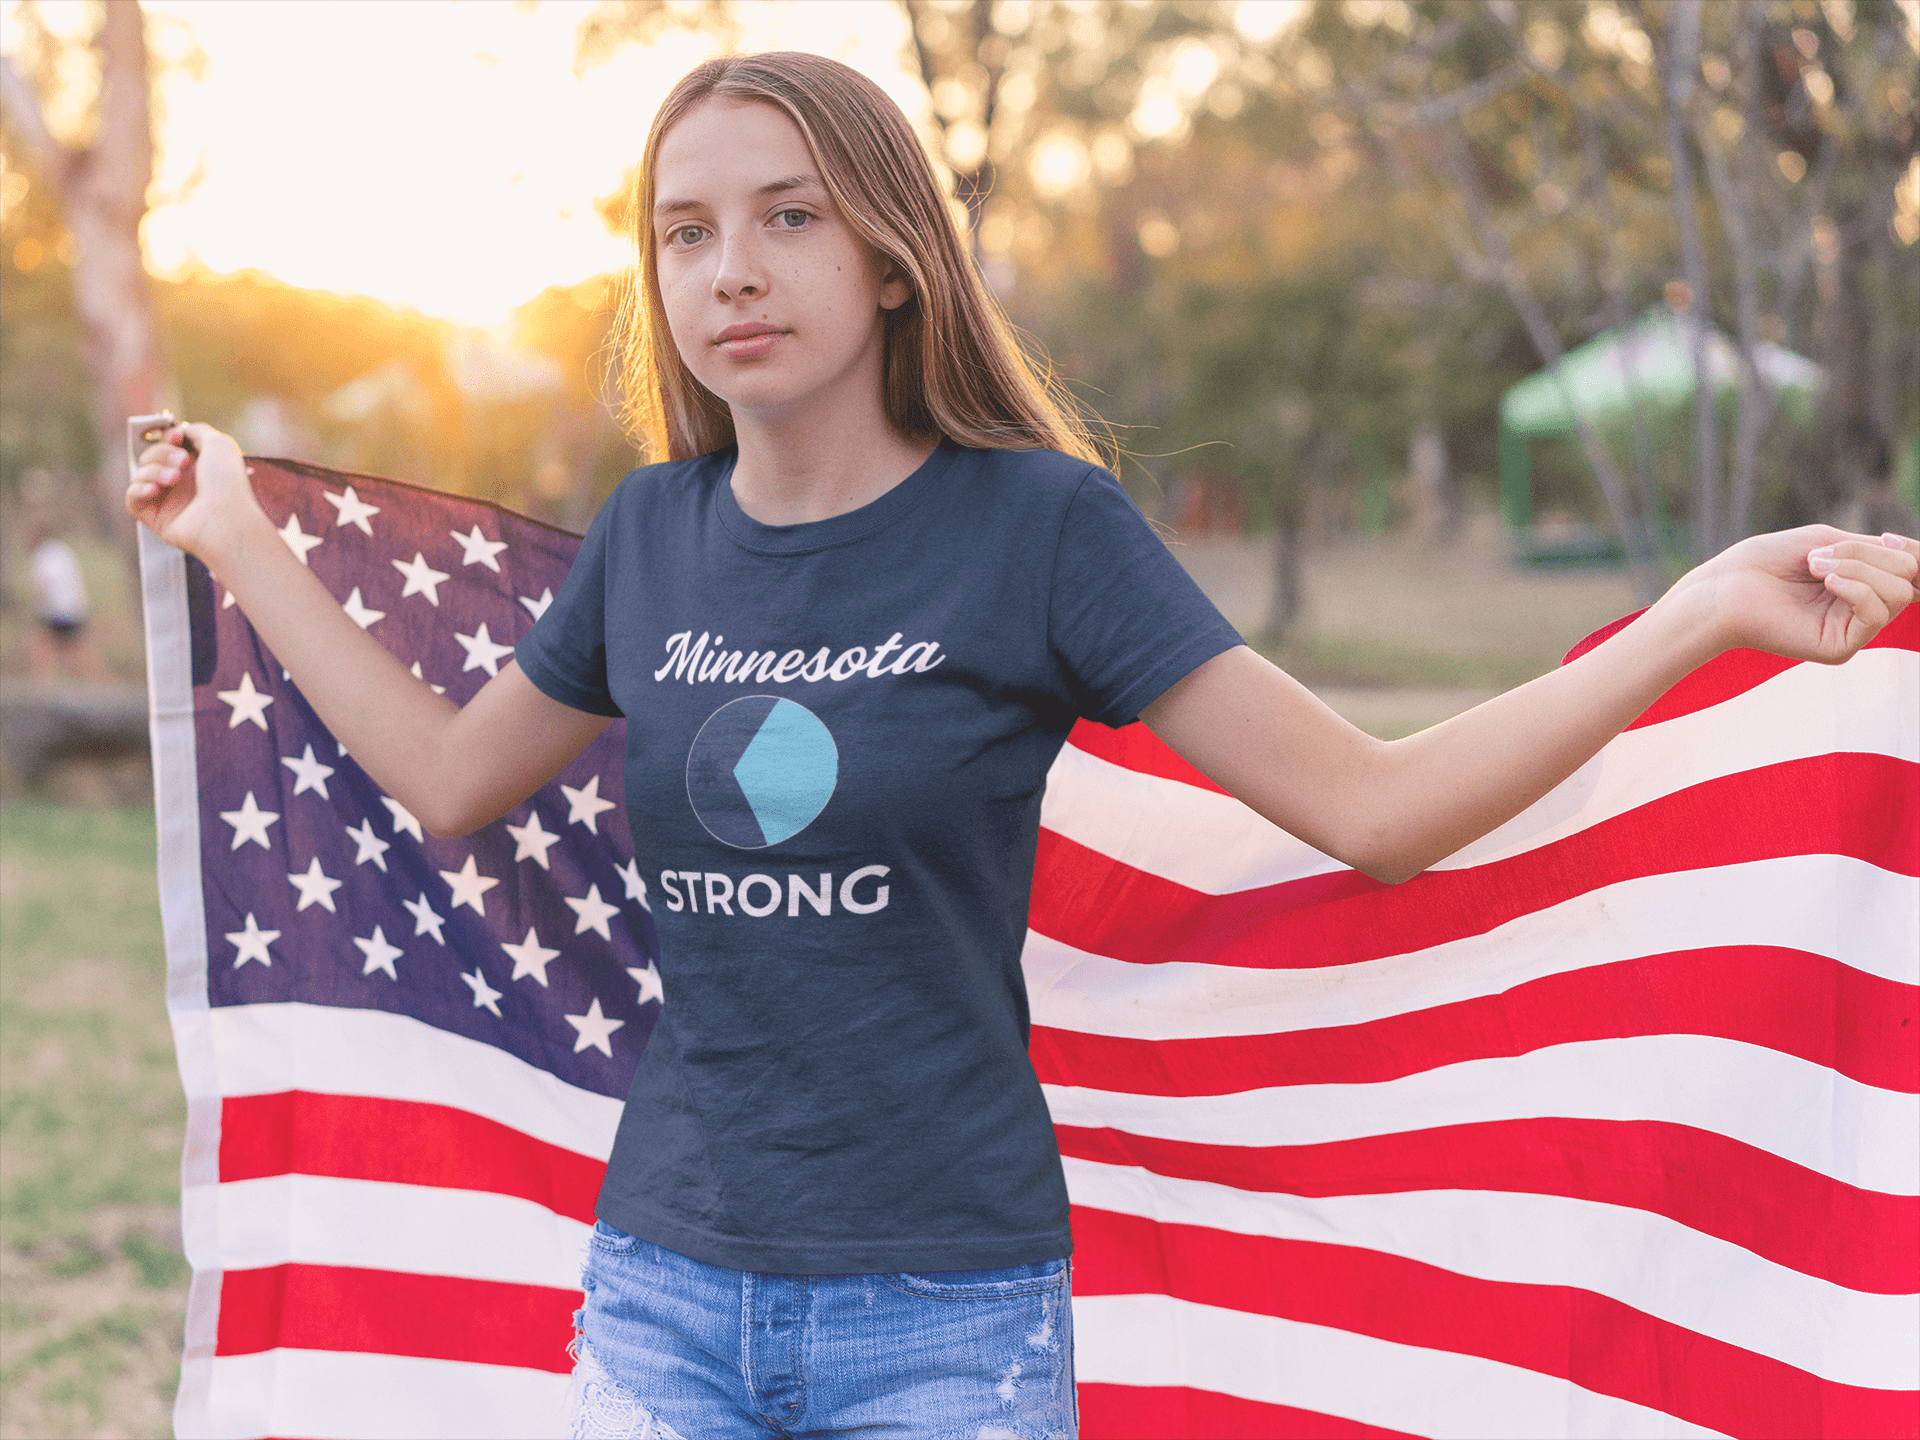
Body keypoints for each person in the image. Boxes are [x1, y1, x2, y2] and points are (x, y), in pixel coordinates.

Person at [128, 51, 1918, 1440]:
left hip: (948, 1319)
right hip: (662, 1287)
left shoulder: (1042, 532)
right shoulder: (651, 533)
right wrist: (239, 541)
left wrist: (1691, 615)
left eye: (789, 217)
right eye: (686, 233)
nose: (730, 271)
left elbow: (1374, 812)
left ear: (897, 258)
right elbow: (448, 778)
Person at [25, 519, 110, 683]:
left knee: (41, 648)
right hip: (76, 609)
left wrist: (34, 611)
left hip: (58, 611)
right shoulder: (62, 550)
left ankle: (41, 694)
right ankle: (103, 685)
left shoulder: (42, 555)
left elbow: (42, 589)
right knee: (76, 652)